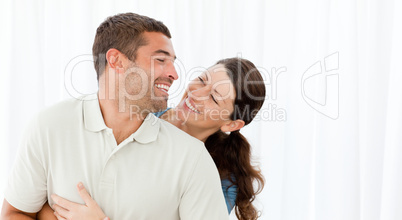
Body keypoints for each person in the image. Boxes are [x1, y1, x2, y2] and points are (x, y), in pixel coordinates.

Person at [1, 13, 229, 220]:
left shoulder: (192, 158)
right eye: (161, 60)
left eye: (172, 62)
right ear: (116, 61)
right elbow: (16, 213)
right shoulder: (49, 127)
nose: (174, 74)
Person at [38, 57, 266, 220]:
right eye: (202, 80)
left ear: (231, 124)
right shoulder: (134, 116)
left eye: (214, 98)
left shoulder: (219, 180)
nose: (196, 94)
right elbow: (49, 201)